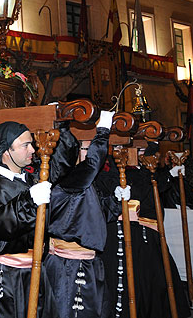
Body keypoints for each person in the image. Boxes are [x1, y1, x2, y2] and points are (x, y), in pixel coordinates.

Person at [96, 142, 191, 318]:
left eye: (141, 150)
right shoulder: (113, 170)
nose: (137, 154)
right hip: (127, 233)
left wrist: (167, 175)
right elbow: (137, 192)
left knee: (155, 279)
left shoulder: (146, 168)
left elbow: (156, 187)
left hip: (150, 231)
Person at [0, 121, 59, 318]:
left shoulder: (26, 178)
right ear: (6, 151)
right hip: (5, 275)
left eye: (31, 144)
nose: (32, 150)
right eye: (25, 145)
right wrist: (29, 201)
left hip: (31, 271)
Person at [43, 111, 121, 317]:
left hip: (87, 260)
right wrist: (102, 130)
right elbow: (93, 163)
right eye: (83, 149)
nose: (86, 154)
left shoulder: (83, 182)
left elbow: (99, 216)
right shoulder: (67, 181)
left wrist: (116, 200)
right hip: (67, 264)